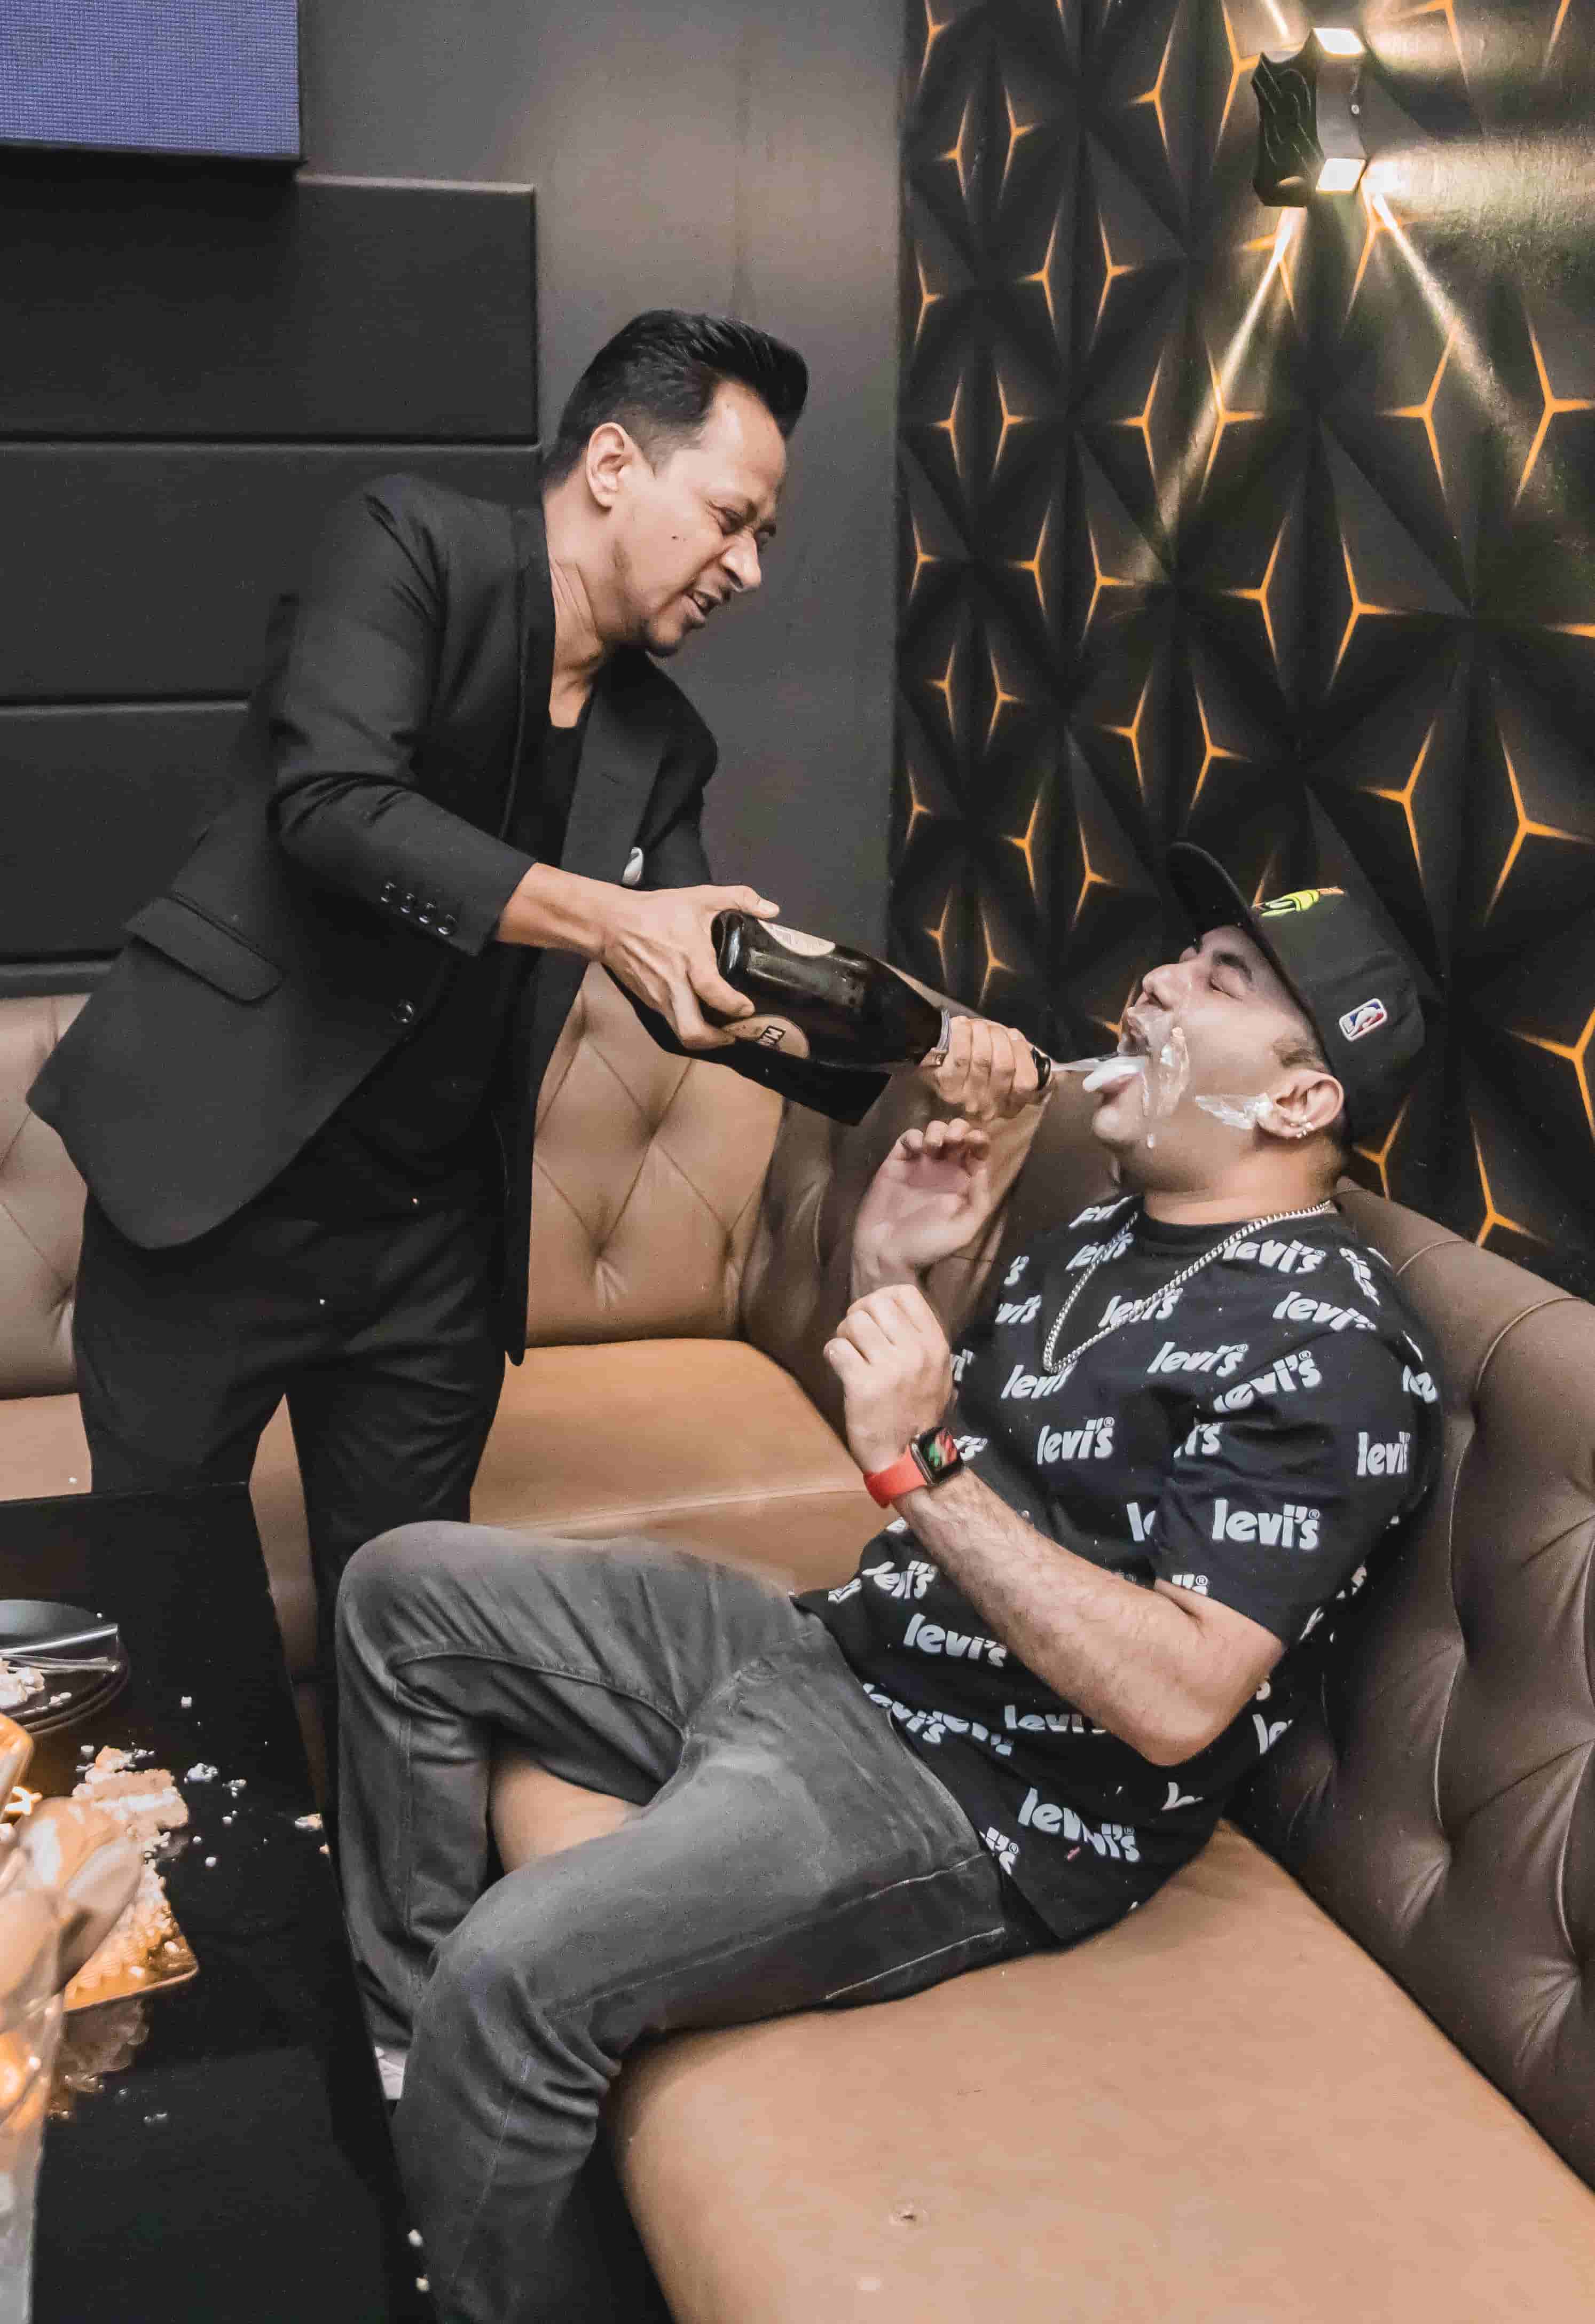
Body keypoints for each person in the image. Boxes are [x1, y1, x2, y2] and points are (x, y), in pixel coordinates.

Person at [335, 845, 1440, 2324]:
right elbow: (944, 1425)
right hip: (843, 1652)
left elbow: (1180, 1699)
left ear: (1302, 1102)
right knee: (403, 1588)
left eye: (1222, 982)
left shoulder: (1335, 1348)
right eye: (1184, 957)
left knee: (518, 1965)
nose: (1159, 984)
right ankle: (414, 2070)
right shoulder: (1113, 1231)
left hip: (973, 1800)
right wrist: (893, 1262)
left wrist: (920, 1467)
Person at [28, 309, 1038, 1722]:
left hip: (429, 1247)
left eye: (764, 538)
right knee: (170, 1630)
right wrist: (609, 914)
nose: (749, 569)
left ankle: (392, 1882)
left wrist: (928, 1052)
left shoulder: (660, 738)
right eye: (730, 519)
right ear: (614, 465)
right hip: (211, 1194)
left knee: (409, 1640)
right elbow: (335, 808)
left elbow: (705, 978)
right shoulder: (409, 547)